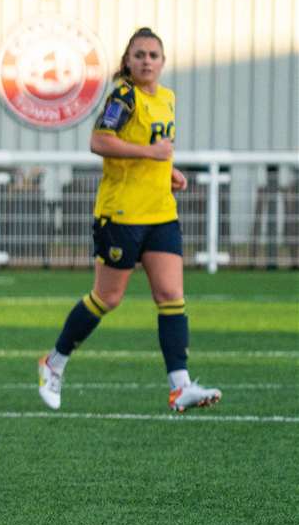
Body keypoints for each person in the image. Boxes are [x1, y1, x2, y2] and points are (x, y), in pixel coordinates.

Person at [36, 28, 220, 413]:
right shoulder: (123, 95)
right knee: (107, 297)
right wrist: (151, 155)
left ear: (163, 61)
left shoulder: (167, 98)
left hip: (161, 212)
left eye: (154, 55)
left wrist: (168, 170)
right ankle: (54, 362)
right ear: (128, 60)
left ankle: (179, 386)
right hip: (122, 213)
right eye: (140, 55)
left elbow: (155, 150)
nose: (147, 61)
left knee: (171, 297)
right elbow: (100, 141)